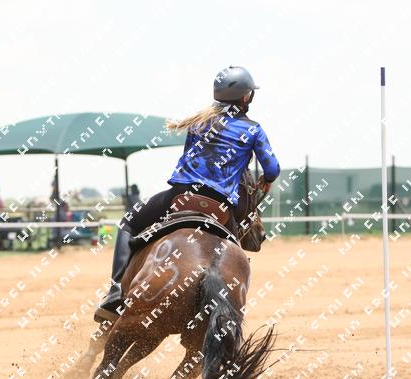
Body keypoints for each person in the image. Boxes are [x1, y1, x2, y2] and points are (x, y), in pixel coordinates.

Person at [94, 66, 280, 322]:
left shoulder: (199, 122)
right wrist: (267, 180)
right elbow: (272, 168)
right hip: (221, 206)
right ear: (246, 96)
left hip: (181, 196)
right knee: (234, 258)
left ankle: (115, 291)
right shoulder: (253, 129)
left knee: (129, 221)